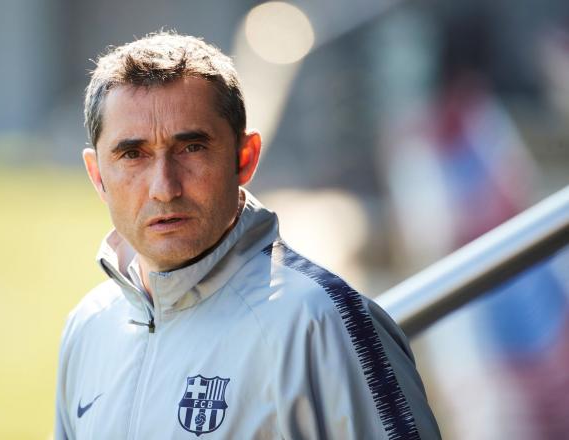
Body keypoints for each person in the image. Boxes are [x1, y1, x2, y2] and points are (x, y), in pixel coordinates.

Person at [54, 31, 440, 439]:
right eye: (133, 155)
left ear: (245, 159)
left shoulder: (322, 324)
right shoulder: (89, 326)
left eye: (192, 149)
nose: (164, 187)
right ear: (98, 176)